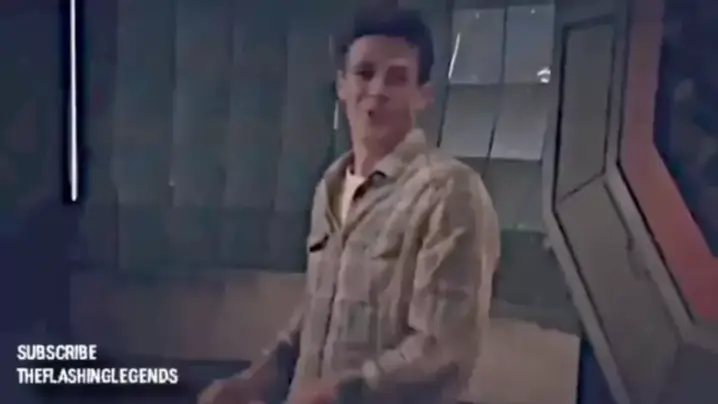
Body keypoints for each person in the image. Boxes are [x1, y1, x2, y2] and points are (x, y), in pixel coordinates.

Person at [199, 9, 500, 404]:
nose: (377, 89)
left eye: (397, 77)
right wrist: (255, 380)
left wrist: (341, 392)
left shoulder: (449, 193)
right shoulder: (331, 185)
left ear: (423, 95)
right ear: (342, 85)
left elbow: (443, 349)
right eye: (364, 73)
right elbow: (318, 309)